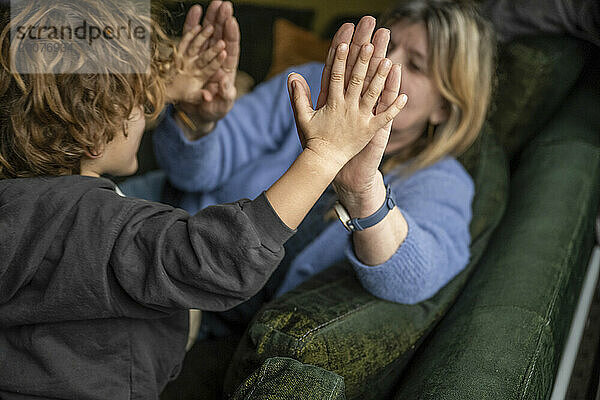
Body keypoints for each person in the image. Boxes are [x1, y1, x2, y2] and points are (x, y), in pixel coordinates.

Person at [0, 0, 405, 398]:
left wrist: (170, 87)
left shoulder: (26, 201)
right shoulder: (89, 219)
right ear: (96, 127)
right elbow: (218, 258)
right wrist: (324, 156)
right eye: (143, 101)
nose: (152, 107)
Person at [121, 0, 496, 340]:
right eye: (386, 46)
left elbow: (413, 279)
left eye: (414, 65)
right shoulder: (313, 84)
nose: (387, 65)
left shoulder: (442, 182)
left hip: (203, 297)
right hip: (160, 212)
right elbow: (193, 174)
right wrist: (198, 123)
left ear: (444, 108)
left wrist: (363, 192)